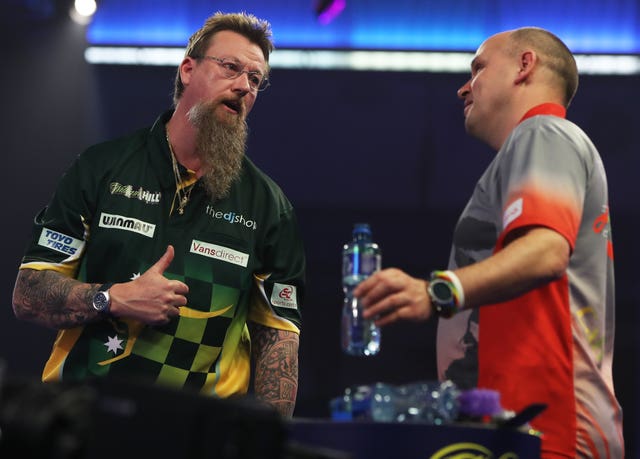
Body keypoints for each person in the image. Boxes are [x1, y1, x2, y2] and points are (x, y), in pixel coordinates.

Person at [12, 11, 305, 418]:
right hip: (84, 421)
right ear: (188, 69)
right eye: (231, 67)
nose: (243, 86)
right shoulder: (102, 168)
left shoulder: (269, 206)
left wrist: (268, 444)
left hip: (198, 435)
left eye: (255, 80)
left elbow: (278, 341)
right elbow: (28, 294)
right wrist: (112, 298)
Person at [355, 27, 623, 458]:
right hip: (525, 425)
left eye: (478, 67)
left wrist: (437, 290)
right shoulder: (534, 146)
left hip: (550, 428)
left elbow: (546, 251)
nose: (463, 87)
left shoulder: (545, 132)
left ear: (524, 66)